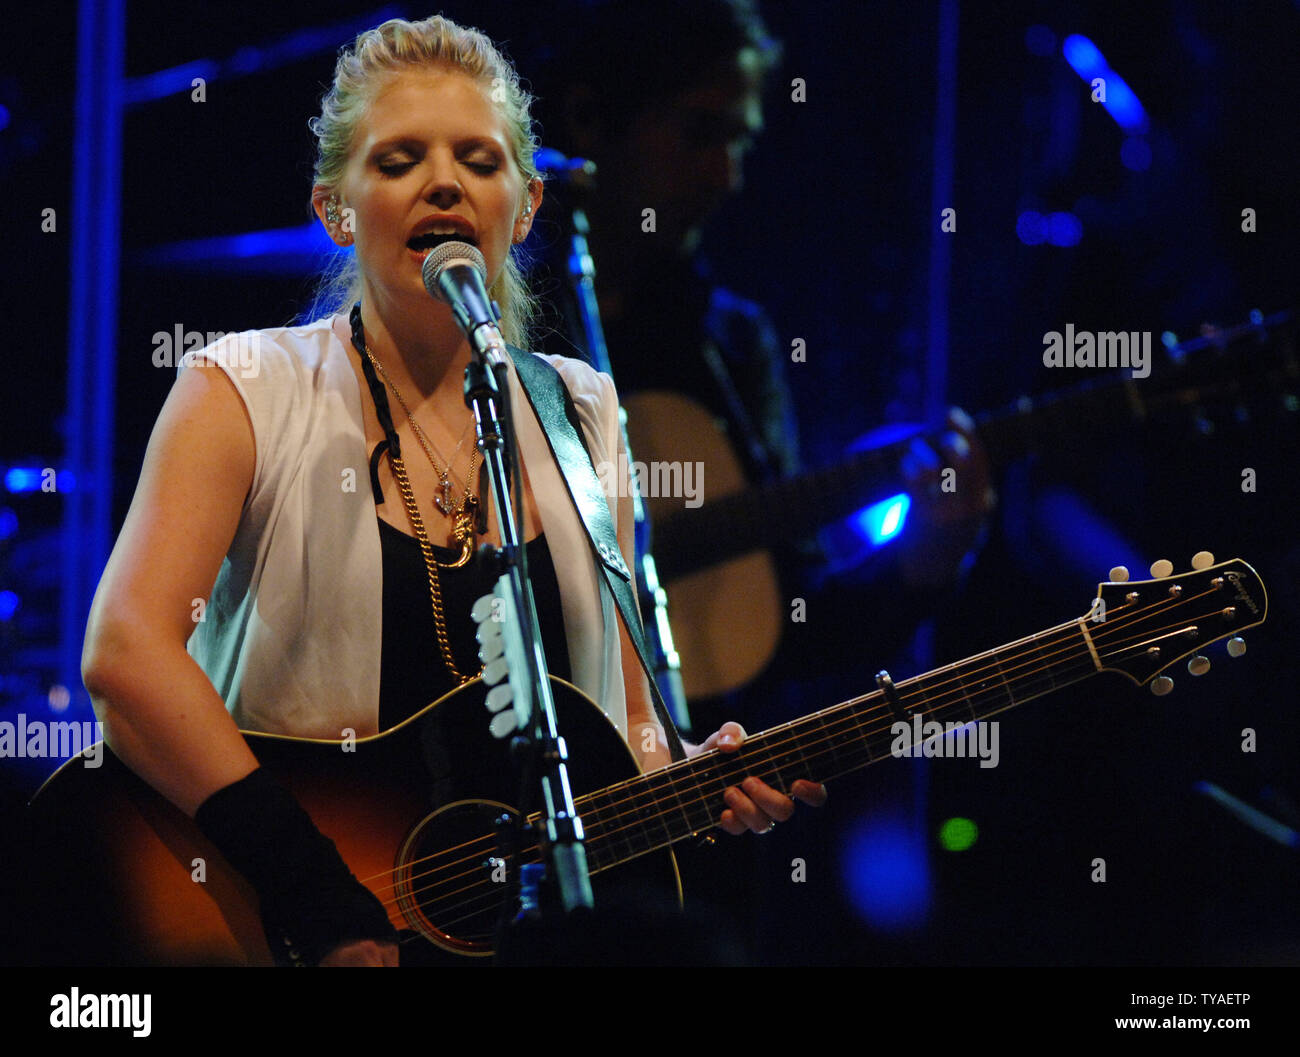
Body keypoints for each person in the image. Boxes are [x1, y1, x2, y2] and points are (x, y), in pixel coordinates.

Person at [79, 13, 824, 968]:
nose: (443, 181)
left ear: (525, 205)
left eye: (478, 159)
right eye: (397, 162)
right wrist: (318, 894)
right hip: (287, 921)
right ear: (335, 210)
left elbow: (626, 722)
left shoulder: (584, 409)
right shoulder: (243, 388)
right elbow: (126, 654)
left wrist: (689, 773)